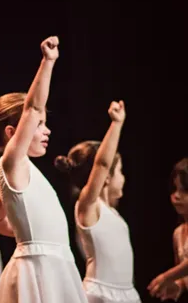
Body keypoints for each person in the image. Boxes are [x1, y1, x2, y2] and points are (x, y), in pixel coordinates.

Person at [0, 36, 87, 302]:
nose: (46, 130)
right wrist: (48, 61)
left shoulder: (22, 173)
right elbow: (33, 108)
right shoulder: (12, 162)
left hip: (54, 262)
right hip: (39, 268)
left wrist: (27, 230)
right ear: (13, 133)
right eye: (39, 124)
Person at [55, 100, 141, 303]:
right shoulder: (88, 206)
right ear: (107, 177)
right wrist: (116, 124)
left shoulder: (112, 212)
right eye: (120, 171)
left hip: (125, 293)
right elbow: (102, 164)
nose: (124, 178)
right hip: (100, 294)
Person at [148, 157, 188, 301]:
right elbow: (184, 274)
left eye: (184, 190)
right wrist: (179, 285)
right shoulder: (178, 234)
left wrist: (166, 277)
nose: (176, 196)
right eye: (174, 189)